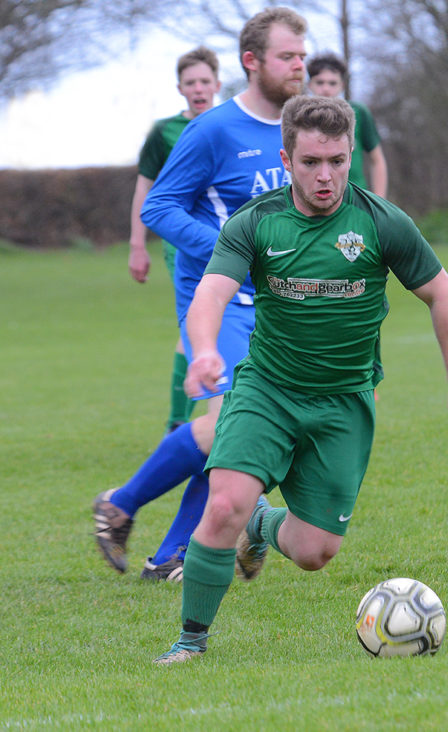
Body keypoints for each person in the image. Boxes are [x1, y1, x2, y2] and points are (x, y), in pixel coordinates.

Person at [153, 95, 448, 664]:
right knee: (224, 502)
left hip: (344, 404)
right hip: (267, 390)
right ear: (286, 158)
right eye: (311, 162)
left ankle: (261, 524)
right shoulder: (255, 223)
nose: (326, 175)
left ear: (350, 153)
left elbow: (442, 296)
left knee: (314, 552)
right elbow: (211, 293)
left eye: (336, 160)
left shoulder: (382, 222)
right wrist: (205, 349)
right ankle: (191, 641)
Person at [92, 7, 308, 582]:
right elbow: (159, 206)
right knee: (230, 425)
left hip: (272, 307)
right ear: (251, 61)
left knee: (234, 433)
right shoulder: (212, 130)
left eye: (302, 55)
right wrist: (229, 249)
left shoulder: (298, 127)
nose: (299, 65)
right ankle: (123, 504)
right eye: (288, 55)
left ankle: (168, 555)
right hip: (218, 303)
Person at [128, 46, 222, 434]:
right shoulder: (164, 132)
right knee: (196, 324)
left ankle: (216, 418)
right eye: (190, 83)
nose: (198, 89)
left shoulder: (230, 124)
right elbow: (145, 190)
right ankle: (180, 422)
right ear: (179, 88)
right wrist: (137, 244)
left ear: (217, 84)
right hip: (182, 243)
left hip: (230, 240)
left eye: (205, 81)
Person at [306, 52, 388, 197]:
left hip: (355, 201)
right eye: (320, 82)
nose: (326, 89)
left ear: (342, 85)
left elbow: (377, 160)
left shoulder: (358, 112)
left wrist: (379, 204)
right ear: (309, 84)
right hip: (314, 201)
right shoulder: (300, 117)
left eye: (332, 83)